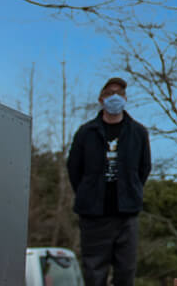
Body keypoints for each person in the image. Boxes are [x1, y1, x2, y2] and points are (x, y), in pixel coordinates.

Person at [68, 77, 153, 286]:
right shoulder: (86, 132)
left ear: (125, 98)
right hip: (94, 215)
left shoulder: (138, 132)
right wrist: (88, 193)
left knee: (126, 272)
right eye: (109, 93)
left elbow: (144, 168)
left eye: (120, 93)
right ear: (100, 99)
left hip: (126, 214)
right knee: (94, 273)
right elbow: (74, 169)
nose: (115, 97)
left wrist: (130, 191)